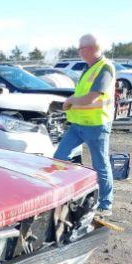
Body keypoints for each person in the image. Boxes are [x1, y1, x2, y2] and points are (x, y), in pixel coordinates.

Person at [55, 33, 116, 217]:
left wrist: (71, 100)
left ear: (89, 49)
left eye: (80, 48)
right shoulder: (90, 67)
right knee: (59, 158)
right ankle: (62, 197)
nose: (78, 51)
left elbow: (92, 97)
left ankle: (105, 204)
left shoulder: (105, 68)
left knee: (100, 164)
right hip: (78, 125)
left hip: (96, 126)